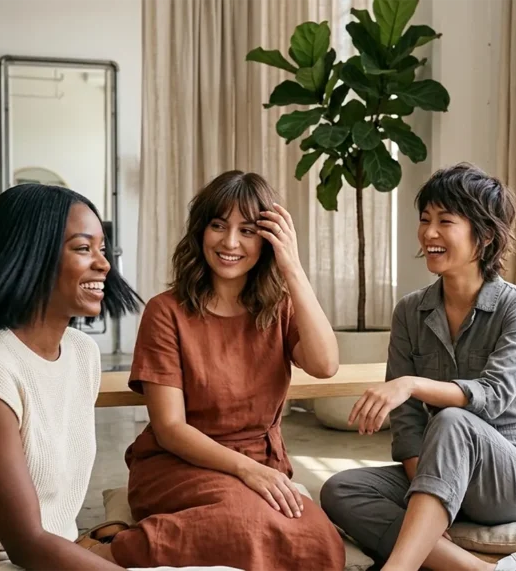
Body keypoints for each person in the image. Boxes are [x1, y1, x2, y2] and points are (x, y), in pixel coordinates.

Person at [107, 171, 345, 571]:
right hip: (178, 464)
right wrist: (247, 471)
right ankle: (111, 548)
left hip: (258, 461)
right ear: (201, 232)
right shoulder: (165, 311)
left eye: (248, 231)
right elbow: (170, 428)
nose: (230, 242)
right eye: (218, 225)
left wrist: (294, 269)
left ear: (267, 241)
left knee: (319, 541)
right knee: (243, 524)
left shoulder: (279, 307)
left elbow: (325, 365)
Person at [320, 164, 516, 571]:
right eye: (425, 220)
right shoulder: (411, 310)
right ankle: (479, 570)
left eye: (445, 221)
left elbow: (492, 396)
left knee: (451, 420)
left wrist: (411, 383)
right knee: (341, 490)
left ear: (484, 235)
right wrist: (424, 495)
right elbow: (408, 427)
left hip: (514, 477)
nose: (429, 233)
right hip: (440, 470)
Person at [0, 184, 143, 571]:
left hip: (46, 556)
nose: (103, 264)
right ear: (31, 256)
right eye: (84, 248)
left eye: (103, 249)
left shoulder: (82, 353)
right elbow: (27, 544)